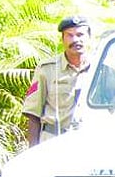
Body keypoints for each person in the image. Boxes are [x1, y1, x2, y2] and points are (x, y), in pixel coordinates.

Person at [22, 15, 94, 146]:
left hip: (89, 144)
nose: (75, 40)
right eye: (69, 35)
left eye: (80, 34)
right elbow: (33, 114)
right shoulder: (47, 69)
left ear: (89, 37)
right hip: (53, 142)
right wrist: (33, 152)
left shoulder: (101, 69)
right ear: (63, 39)